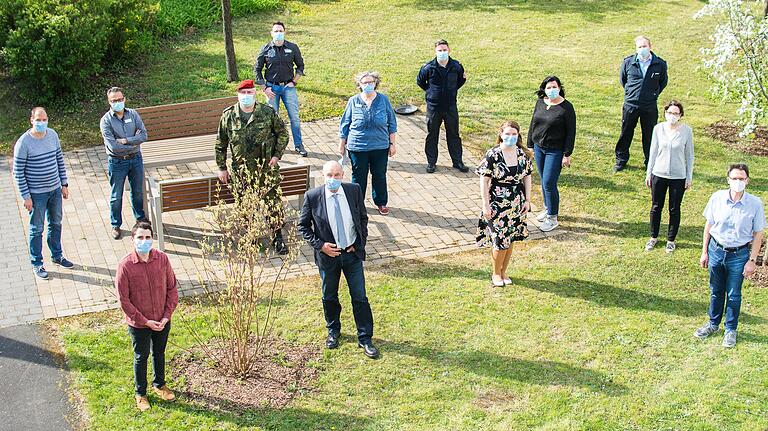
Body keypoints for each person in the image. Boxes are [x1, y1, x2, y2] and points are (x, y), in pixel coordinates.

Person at [297, 160, 379, 359]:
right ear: (323, 176)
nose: (333, 179)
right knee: (330, 296)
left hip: (351, 255)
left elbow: (362, 218)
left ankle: (365, 337)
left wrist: (359, 244)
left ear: (343, 175)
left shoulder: (353, 191)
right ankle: (333, 331)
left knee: (360, 297)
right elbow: (303, 227)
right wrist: (321, 246)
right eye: (329, 176)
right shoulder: (313, 196)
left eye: (337, 175)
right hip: (328, 258)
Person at [215, 79, 290, 254]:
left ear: (255, 94)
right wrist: (221, 167)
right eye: (243, 93)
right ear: (238, 95)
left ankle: (278, 238)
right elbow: (220, 144)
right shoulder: (228, 116)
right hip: (241, 171)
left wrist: (277, 155)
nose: (247, 96)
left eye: (250, 93)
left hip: (266, 169)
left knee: (273, 204)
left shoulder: (267, 113)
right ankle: (251, 238)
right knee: (245, 206)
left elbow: (282, 134)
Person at [695, 163, 765, 348]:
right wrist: (704, 252)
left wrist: (752, 260)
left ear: (747, 181)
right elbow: (708, 226)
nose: (738, 182)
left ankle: (730, 330)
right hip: (716, 250)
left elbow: (758, 233)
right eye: (734, 178)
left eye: (741, 179)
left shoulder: (755, 204)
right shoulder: (717, 198)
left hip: (739, 254)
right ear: (728, 180)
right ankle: (712, 324)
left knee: (734, 294)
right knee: (716, 291)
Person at [116, 221, 179, 411]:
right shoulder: (125, 266)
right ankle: (141, 393)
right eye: (140, 238)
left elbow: (172, 288)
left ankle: (159, 384)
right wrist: (145, 321)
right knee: (141, 356)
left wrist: (166, 316)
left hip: (162, 320)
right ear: (132, 239)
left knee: (159, 353)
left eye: (148, 237)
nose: (144, 241)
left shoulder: (162, 259)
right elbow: (124, 300)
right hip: (139, 325)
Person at [13, 107, 74, 279]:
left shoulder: (53, 135)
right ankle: (37, 263)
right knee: (36, 229)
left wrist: (64, 184)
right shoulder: (23, 143)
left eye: (44, 119)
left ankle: (57, 255)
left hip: (55, 190)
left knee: (56, 223)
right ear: (31, 120)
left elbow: (59, 159)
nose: (42, 123)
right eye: (38, 120)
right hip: (36, 195)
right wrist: (26, 197)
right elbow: (18, 172)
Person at [476, 121, 533, 287]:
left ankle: (503, 271)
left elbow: (527, 176)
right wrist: (485, 204)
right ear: (501, 135)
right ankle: (495, 273)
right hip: (497, 203)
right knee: (500, 241)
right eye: (507, 134)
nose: (510, 137)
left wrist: (527, 200)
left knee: (510, 239)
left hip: (516, 202)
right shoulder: (493, 155)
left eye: (514, 134)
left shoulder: (523, 154)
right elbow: (484, 181)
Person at [339, 71, 398, 216]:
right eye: (365, 83)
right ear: (359, 85)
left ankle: (381, 202)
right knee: (358, 176)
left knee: (379, 175)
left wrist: (392, 143)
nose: (368, 85)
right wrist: (342, 143)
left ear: (376, 83)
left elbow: (392, 123)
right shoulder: (353, 101)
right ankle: (357, 204)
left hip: (380, 146)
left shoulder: (383, 100)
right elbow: (345, 123)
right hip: (358, 146)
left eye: (371, 82)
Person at [527, 75, 576, 233]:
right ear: (544, 90)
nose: (552, 90)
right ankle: (548, 207)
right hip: (538, 147)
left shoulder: (566, 108)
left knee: (549, 182)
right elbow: (533, 124)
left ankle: (552, 218)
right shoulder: (540, 103)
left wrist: (567, 154)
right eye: (549, 88)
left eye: (554, 87)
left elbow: (571, 133)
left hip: (555, 150)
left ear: (560, 88)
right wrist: (530, 146)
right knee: (543, 180)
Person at [644, 100, 694, 253]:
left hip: (678, 176)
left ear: (680, 115)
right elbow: (653, 152)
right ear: (665, 113)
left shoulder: (686, 131)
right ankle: (653, 237)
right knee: (656, 206)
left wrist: (688, 176)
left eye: (676, 113)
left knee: (674, 208)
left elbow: (689, 155)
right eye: (670, 113)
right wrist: (649, 173)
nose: (672, 116)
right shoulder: (658, 129)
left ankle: (671, 240)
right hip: (659, 173)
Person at [100, 86, 149, 240]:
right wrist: (134, 141)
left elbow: (144, 135)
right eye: (114, 100)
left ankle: (140, 219)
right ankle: (116, 225)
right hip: (117, 162)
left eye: (120, 99)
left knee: (137, 191)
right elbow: (113, 146)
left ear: (124, 99)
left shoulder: (133, 114)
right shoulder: (106, 121)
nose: (118, 102)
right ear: (109, 102)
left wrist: (126, 140)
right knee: (116, 195)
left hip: (136, 159)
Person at [614, 35, 668, 172]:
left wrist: (652, 94)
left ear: (650, 47)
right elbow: (623, 80)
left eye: (645, 46)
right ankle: (621, 160)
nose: (642, 49)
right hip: (630, 105)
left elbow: (663, 82)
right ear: (636, 49)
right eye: (639, 47)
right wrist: (632, 94)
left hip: (649, 106)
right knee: (626, 133)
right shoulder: (628, 62)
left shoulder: (660, 64)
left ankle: (650, 161)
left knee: (649, 135)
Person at [254, 21, 307, 157]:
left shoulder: (292, 48)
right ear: (271, 33)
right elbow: (257, 70)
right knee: (272, 119)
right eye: (276, 31)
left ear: (284, 32)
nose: (278, 33)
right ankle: (272, 148)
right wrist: (264, 87)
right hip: (271, 89)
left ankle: (298, 145)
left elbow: (300, 66)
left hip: (288, 88)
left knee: (294, 117)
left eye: (280, 31)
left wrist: (294, 82)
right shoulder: (265, 49)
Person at [416, 39, 468, 173]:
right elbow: (421, 82)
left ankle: (457, 162)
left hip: (450, 106)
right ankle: (431, 163)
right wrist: (432, 93)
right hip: (434, 107)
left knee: (454, 134)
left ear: (449, 50)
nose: (442, 52)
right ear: (435, 51)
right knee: (432, 134)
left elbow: (461, 81)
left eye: (445, 50)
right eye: (440, 50)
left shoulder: (456, 66)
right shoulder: (428, 68)